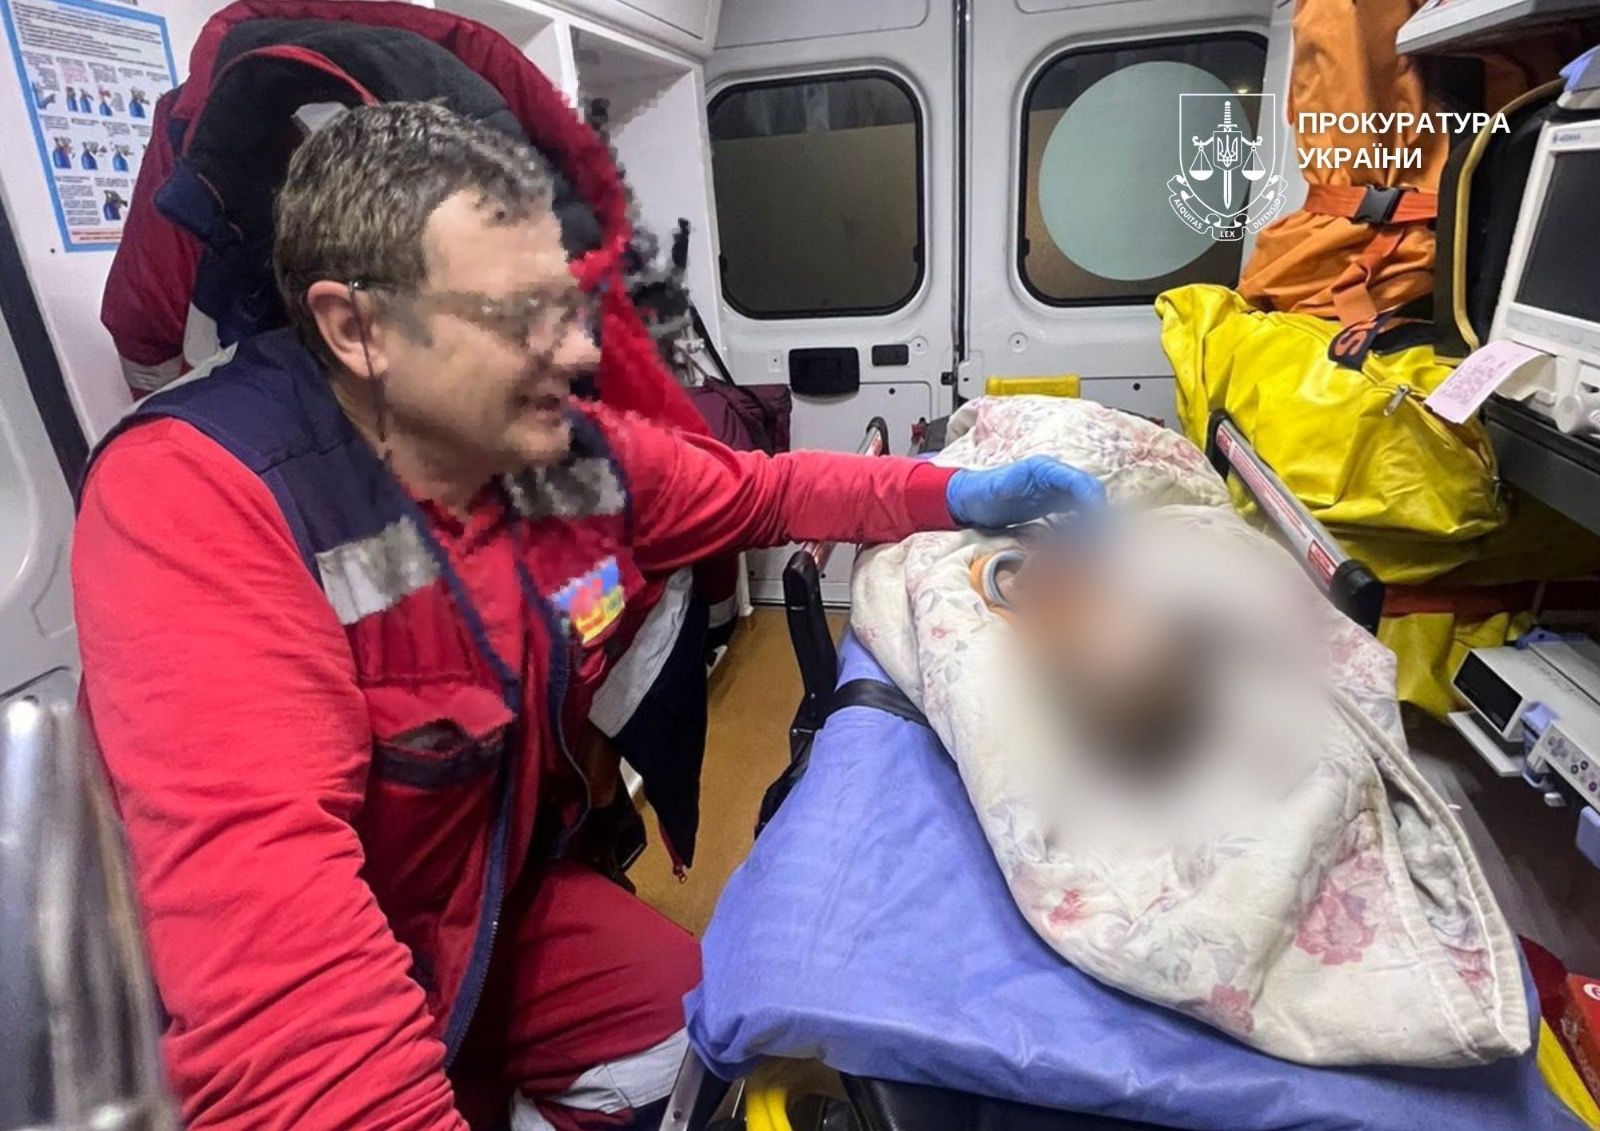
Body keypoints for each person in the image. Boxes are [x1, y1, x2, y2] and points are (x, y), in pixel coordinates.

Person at [72, 101, 1103, 1131]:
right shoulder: (200, 499)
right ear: (360, 329)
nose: (573, 351)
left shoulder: (549, 447)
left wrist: (949, 493)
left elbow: (761, 491)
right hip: (340, 946)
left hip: (494, 898)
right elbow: (286, 992)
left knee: (701, 1041)